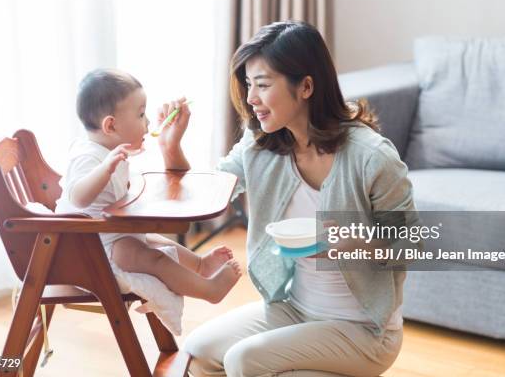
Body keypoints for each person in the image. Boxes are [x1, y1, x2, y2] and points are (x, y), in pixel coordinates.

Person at [161, 21, 421, 376]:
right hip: (295, 309)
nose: (251, 98)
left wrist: (358, 244)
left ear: (306, 86)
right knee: (199, 351)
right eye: (249, 84)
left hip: (363, 329)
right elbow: (203, 196)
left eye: (263, 85)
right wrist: (171, 148)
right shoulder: (261, 146)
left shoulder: (372, 156)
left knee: (244, 359)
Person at [55, 69, 242, 305]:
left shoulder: (107, 151)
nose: (148, 122)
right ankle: (208, 290)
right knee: (152, 258)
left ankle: (200, 265)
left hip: (109, 237)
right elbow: (78, 197)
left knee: (154, 240)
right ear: (111, 126)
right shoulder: (88, 156)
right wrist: (105, 169)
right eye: (141, 114)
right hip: (90, 250)